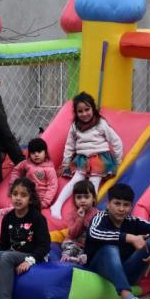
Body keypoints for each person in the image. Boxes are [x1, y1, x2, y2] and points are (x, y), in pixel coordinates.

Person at [50, 91, 123, 220]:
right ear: (76, 113)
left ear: (93, 109)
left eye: (87, 109)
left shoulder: (100, 123)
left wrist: (117, 161)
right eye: (80, 111)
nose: (84, 114)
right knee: (75, 181)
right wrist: (66, 164)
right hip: (83, 159)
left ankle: (89, 210)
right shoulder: (75, 127)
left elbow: (116, 141)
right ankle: (57, 205)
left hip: (99, 158)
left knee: (93, 182)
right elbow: (69, 146)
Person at [8, 138, 58, 209]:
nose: (36, 155)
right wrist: (14, 183)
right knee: (18, 206)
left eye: (39, 152)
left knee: (19, 207)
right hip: (26, 195)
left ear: (45, 153)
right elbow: (16, 170)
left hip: (39, 199)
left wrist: (45, 202)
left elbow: (52, 186)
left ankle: (2, 212)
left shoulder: (49, 169)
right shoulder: (27, 163)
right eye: (33, 153)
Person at [59, 180, 98, 264]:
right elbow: (73, 234)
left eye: (86, 197)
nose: (82, 200)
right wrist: (80, 219)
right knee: (71, 247)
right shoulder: (72, 214)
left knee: (87, 253)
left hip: (84, 246)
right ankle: (66, 256)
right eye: (79, 197)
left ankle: (77, 259)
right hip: (72, 242)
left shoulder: (97, 215)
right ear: (74, 199)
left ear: (93, 198)